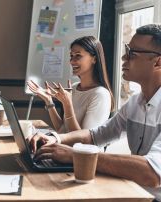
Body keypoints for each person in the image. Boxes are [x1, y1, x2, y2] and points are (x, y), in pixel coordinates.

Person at [30, 24, 161, 201]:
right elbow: (96, 135)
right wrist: (56, 138)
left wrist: (76, 156)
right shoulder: (135, 103)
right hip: (133, 192)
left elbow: (152, 173)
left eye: (132, 53)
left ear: (158, 62)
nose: (123, 57)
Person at [28, 36, 114, 133]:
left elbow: (84, 141)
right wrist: (49, 101)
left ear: (94, 59)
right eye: (71, 56)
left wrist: (67, 105)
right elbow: (62, 130)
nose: (72, 61)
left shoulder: (100, 95)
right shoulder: (74, 87)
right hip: (63, 147)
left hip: (78, 148)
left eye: (78, 55)